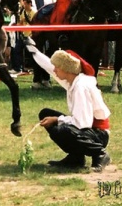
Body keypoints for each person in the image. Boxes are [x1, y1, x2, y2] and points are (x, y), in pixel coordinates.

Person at [25, 38, 111, 173]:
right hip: (89, 129)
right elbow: (49, 67)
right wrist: (33, 50)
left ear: (66, 68)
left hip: (98, 134)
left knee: (63, 130)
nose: (55, 70)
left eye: (57, 67)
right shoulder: (72, 80)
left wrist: (57, 119)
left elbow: (82, 122)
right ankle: (76, 158)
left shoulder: (80, 87)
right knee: (46, 113)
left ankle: (100, 153)